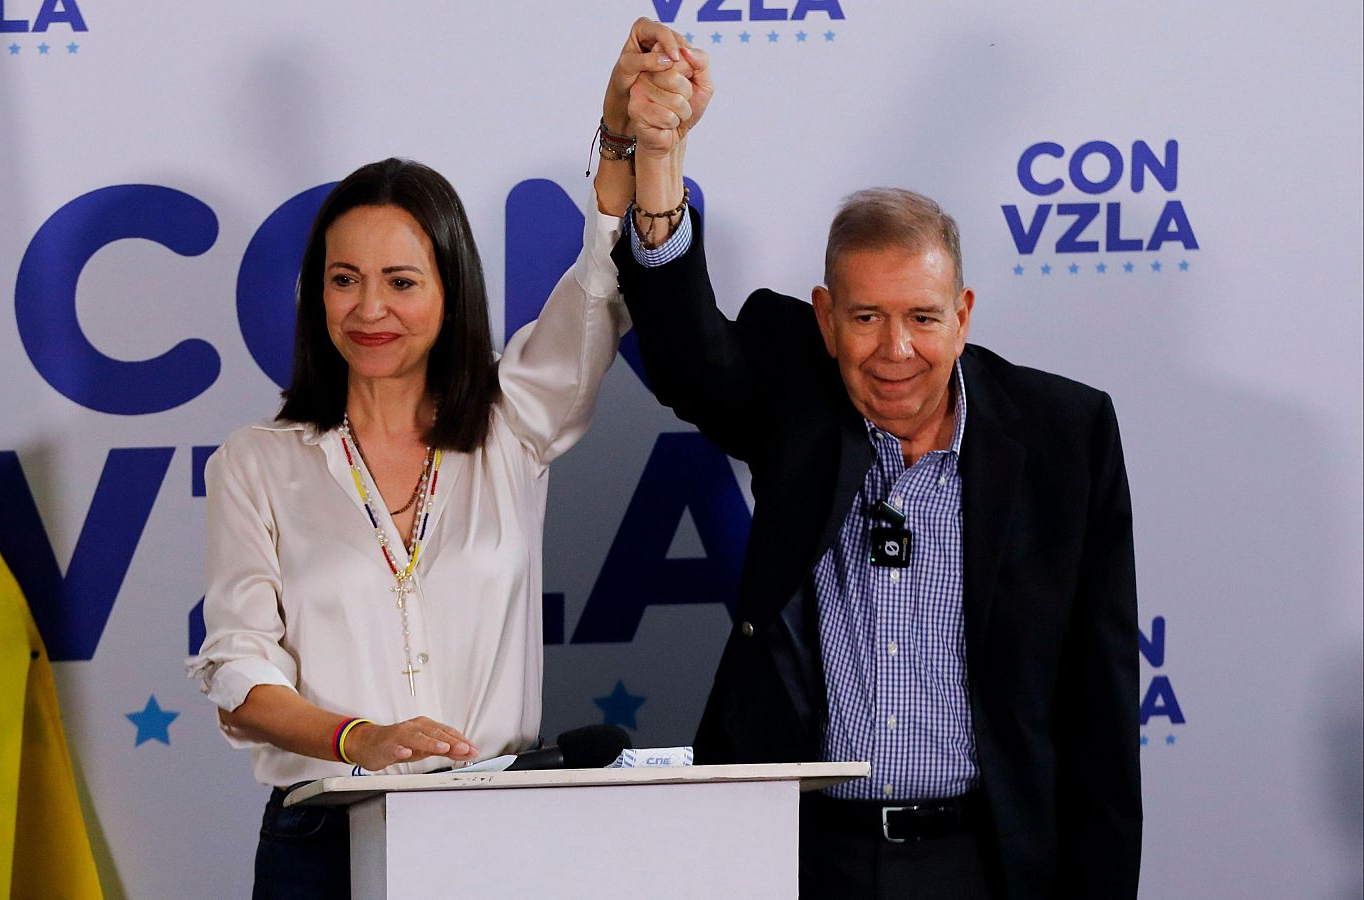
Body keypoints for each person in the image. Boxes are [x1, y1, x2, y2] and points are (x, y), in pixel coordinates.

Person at [600, 20, 1142, 898]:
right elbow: (689, 355)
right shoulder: (796, 393)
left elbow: (1103, 702)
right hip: (807, 857)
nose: (896, 350)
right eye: (865, 318)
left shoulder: (1065, 436)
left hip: (991, 861)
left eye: (923, 318)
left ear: (963, 313)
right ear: (825, 317)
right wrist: (658, 157)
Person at [183, 137, 700, 897]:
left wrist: (624, 140)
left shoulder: (513, 424)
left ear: (450, 291)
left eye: (401, 281)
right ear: (315, 295)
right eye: (344, 280)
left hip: (495, 830)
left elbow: (596, 288)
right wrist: (361, 739)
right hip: (325, 838)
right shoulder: (256, 462)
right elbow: (236, 666)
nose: (370, 309)